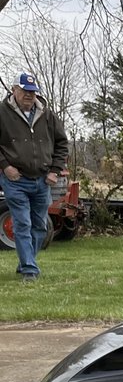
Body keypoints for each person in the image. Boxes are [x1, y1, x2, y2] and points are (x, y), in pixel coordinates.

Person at [0, 72, 69, 282]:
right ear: (14, 90)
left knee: (39, 225)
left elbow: (62, 143)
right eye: (25, 91)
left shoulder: (47, 115)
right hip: (15, 180)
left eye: (32, 92)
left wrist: (55, 171)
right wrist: (4, 166)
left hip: (42, 180)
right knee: (22, 223)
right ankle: (30, 270)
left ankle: (24, 263)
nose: (29, 96)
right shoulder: (2, 113)